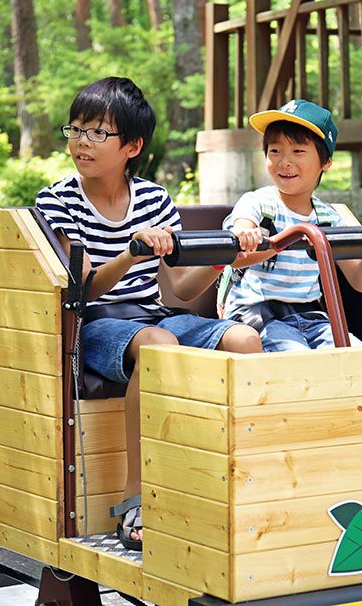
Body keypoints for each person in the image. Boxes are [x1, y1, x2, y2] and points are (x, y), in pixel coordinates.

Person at [35, 77, 261, 551]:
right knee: (159, 346)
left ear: (132, 146)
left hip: (156, 315)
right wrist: (130, 254)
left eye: (98, 132)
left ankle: (237, 484)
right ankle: (135, 497)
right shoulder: (56, 201)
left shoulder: (156, 200)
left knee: (244, 341)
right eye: (75, 130)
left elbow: (179, 289)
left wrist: (223, 261)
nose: (81, 142)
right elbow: (81, 288)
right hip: (95, 323)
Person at [222, 98, 362, 351]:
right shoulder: (257, 204)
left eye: (298, 151)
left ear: (325, 162)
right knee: (297, 356)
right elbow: (238, 243)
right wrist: (246, 234)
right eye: (275, 151)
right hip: (259, 316)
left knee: (359, 355)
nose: (285, 161)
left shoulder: (328, 218)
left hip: (310, 318)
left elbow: (360, 281)